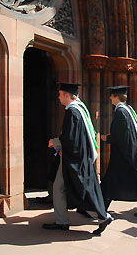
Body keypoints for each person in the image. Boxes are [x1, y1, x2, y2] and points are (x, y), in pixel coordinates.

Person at [43, 83, 113, 235]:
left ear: (67, 95)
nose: (58, 97)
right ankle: (64, 221)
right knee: (63, 187)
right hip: (79, 155)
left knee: (79, 188)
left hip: (74, 158)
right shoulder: (80, 108)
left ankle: (101, 217)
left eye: (60, 94)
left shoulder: (72, 112)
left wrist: (54, 142)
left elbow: (70, 137)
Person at [100, 86, 137, 217]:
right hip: (133, 152)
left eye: (111, 96)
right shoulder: (128, 109)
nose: (110, 98)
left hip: (125, 155)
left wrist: (107, 138)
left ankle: (99, 208)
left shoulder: (120, 111)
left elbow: (122, 135)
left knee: (112, 180)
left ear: (116, 97)